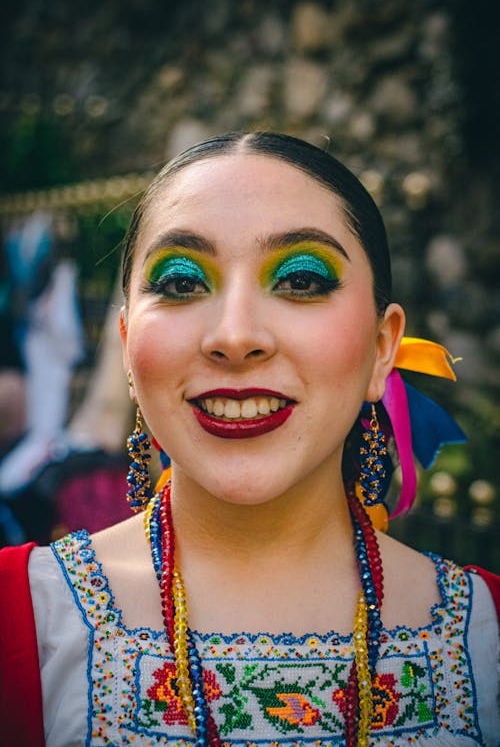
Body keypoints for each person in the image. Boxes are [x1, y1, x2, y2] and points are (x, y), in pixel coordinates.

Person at [1, 132, 498, 746]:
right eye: (181, 282)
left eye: (301, 279)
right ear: (127, 344)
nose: (235, 336)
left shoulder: (487, 635)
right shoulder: (20, 621)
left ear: (381, 348)